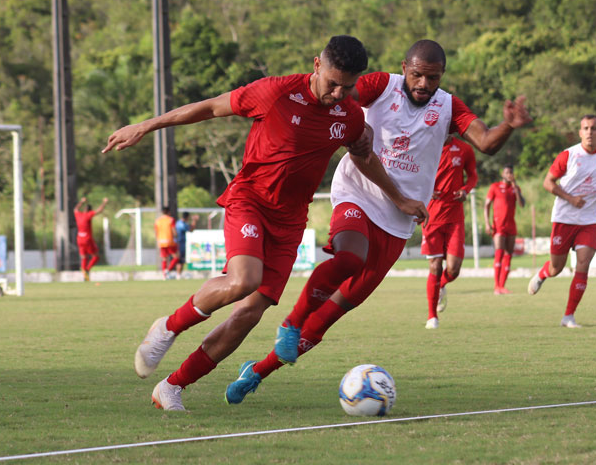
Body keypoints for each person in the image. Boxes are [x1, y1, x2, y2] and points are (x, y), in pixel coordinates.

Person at [224, 39, 532, 405]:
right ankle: (290, 323)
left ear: (442, 76)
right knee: (349, 258)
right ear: (404, 67)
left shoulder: (448, 106)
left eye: (431, 77)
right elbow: (341, 104)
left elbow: (485, 142)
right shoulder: (380, 86)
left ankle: (257, 372)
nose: (423, 84)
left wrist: (509, 126)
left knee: (327, 319)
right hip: (358, 191)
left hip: (399, 219)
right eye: (417, 74)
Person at [103, 35, 374, 411]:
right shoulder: (275, 93)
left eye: (349, 86)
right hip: (250, 201)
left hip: (291, 219)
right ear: (316, 65)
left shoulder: (350, 114)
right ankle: (168, 327)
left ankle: (172, 387)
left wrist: (398, 194)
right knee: (242, 280)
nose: (339, 93)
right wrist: (146, 126)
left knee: (249, 313)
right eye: (333, 83)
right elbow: (211, 108)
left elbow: (363, 150)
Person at [527, 114, 596, 327]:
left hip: (589, 220)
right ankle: (542, 273)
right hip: (564, 218)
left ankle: (568, 316)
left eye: (593, 128)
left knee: (583, 264)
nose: (589, 132)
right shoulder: (569, 155)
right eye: (585, 128)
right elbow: (548, 183)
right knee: (556, 268)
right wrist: (570, 198)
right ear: (580, 132)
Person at [421, 135, 477, 329]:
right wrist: (425, 190)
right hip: (432, 217)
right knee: (435, 266)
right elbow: (414, 174)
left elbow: (472, 175)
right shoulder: (424, 145)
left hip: (454, 218)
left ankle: (441, 284)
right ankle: (432, 316)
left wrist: (466, 189)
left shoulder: (464, 149)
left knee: (453, 269)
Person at [484, 164, 525, 294]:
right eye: (507, 172)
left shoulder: (515, 188)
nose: (509, 175)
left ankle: (502, 286)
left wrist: (515, 187)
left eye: (511, 173)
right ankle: (496, 286)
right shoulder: (494, 187)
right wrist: (487, 223)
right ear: (503, 174)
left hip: (511, 225)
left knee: (509, 255)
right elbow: (486, 206)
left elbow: (522, 204)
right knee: (499, 253)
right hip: (498, 225)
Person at [73, 197, 108, 281]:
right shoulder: (88, 215)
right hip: (87, 239)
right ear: (90, 211)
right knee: (96, 256)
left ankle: (84, 271)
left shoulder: (78, 215)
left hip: (79, 239)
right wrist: (104, 203)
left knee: (84, 257)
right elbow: (99, 210)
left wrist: (81, 201)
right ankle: (87, 269)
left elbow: (75, 209)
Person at [154, 206, 179, 279]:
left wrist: (158, 240)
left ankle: (164, 275)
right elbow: (173, 230)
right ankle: (168, 270)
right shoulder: (170, 219)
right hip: (169, 241)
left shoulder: (158, 220)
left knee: (164, 258)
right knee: (176, 257)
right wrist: (176, 236)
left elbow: (156, 232)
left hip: (161, 241)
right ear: (169, 212)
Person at [175, 211, 198, 279]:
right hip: (180, 243)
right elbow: (191, 229)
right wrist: (194, 220)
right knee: (180, 260)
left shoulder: (178, 223)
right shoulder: (182, 224)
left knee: (179, 259)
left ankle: (178, 275)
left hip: (177, 243)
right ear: (187, 217)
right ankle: (178, 275)